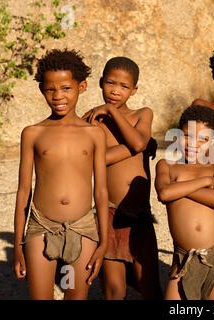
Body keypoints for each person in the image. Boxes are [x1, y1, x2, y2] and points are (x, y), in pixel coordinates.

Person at [13, 48, 108, 299]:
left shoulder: (94, 134)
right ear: (41, 90)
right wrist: (17, 245)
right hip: (42, 226)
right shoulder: (33, 133)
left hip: (83, 227)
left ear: (82, 86)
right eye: (50, 89)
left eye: (66, 88)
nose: (58, 96)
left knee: (75, 296)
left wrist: (104, 242)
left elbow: (101, 190)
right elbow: (24, 190)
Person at [82, 57, 161, 299]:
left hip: (139, 213)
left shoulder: (142, 114)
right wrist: (136, 146)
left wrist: (110, 111)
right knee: (114, 290)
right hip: (108, 212)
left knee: (148, 283)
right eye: (110, 83)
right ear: (100, 83)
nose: (116, 91)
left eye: (124, 86)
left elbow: (138, 141)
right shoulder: (93, 121)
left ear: (134, 90)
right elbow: (94, 159)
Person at [155, 105, 214, 300]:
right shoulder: (167, 165)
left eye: (203, 139)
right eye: (187, 135)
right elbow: (164, 194)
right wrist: (204, 182)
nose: (193, 144)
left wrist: (179, 187)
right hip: (184, 256)